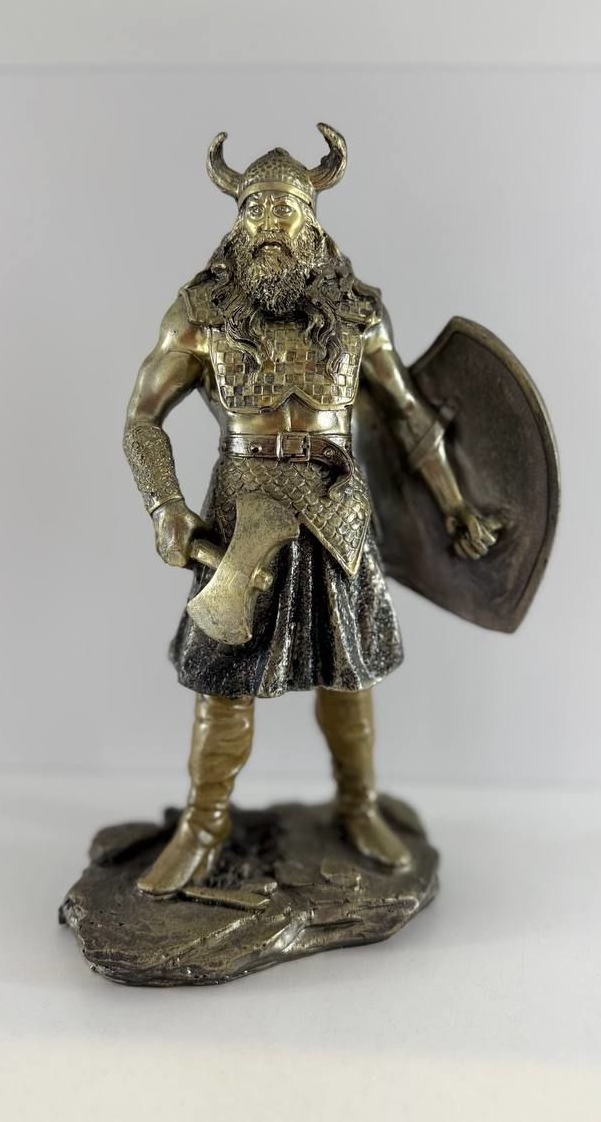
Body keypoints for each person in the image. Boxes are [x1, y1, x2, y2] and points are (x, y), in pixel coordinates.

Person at [122, 125, 497, 896]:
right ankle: (203, 825)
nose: (269, 225)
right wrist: (164, 505)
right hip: (240, 516)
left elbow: (407, 415)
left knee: (349, 675)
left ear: (312, 222)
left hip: (337, 510)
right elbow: (141, 417)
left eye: (284, 210)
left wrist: (456, 507)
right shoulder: (201, 311)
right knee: (223, 677)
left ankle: (359, 806)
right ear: (237, 223)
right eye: (254, 211)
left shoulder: (357, 313)